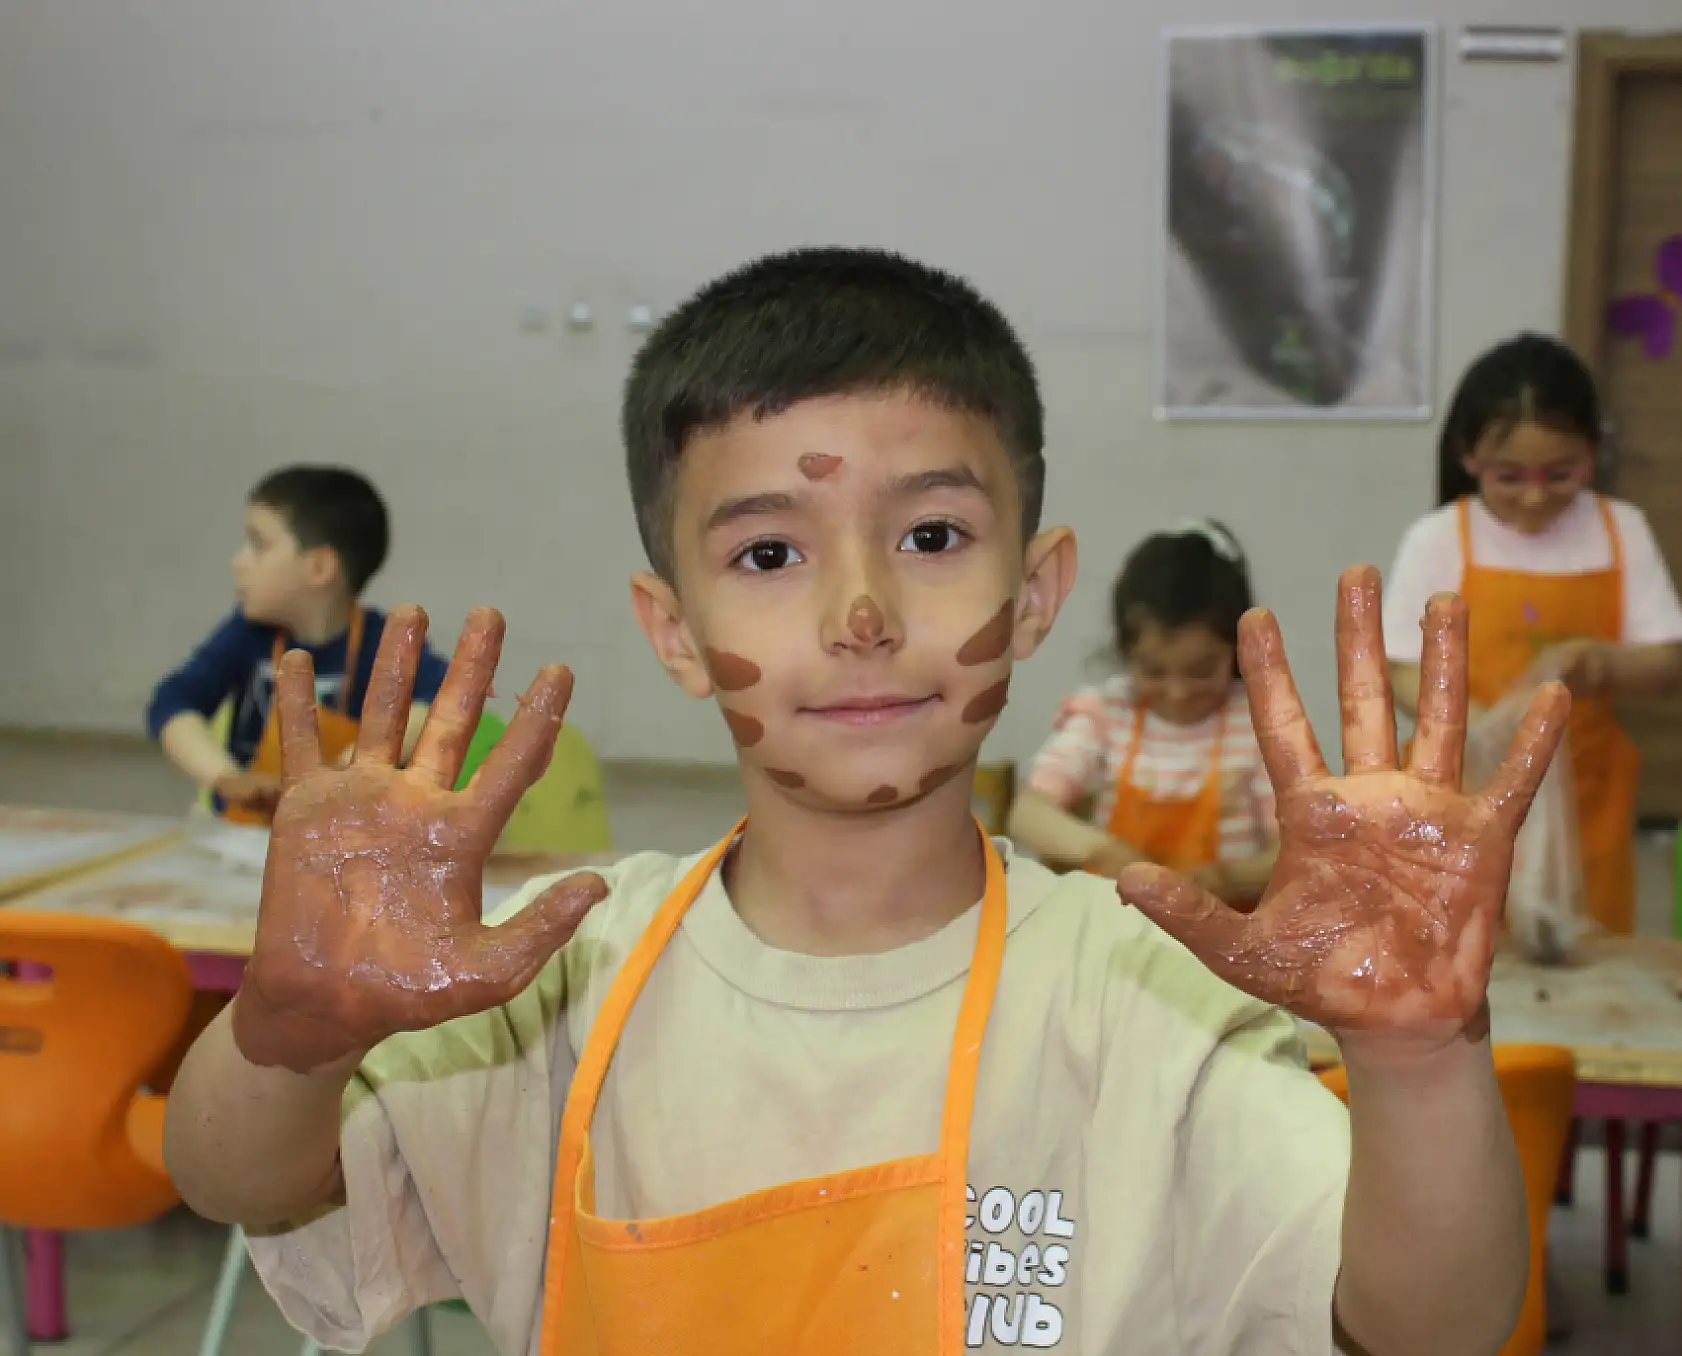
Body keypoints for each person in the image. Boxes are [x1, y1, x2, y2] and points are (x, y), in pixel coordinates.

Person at [164, 249, 1566, 1356]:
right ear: (668, 625)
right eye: (768, 550)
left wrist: (1416, 1066)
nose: (858, 611)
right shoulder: (552, 979)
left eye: (933, 536)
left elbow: (1427, 1325)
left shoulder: (1145, 1000)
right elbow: (244, 1182)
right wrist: (284, 1034)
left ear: (1034, 596)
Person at [1384, 333, 1682, 935]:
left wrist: (1602, 664)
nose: (1537, 494)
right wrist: (1481, 723)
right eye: (1510, 477)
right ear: (1469, 457)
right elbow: (1400, 668)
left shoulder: (1620, 530)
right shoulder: (1439, 539)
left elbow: (1668, 662)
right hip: (1462, 796)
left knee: (1579, 967)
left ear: (1593, 455)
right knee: (1455, 958)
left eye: (1560, 473)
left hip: (1583, 803)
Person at [145, 465, 449, 822]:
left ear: (319, 568)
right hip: (243, 836)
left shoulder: (385, 643)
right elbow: (172, 703)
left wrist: (349, 769)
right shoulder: (247, 633)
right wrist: (226, 777)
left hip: (338, 844)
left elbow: (442, 704)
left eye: (258, 545)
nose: (238, 562)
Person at [1008, 521, 1277, 908]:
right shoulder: (1107, 714)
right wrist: (1106, 853)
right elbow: (1027, 813)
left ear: (1237, 650)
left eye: (1201, 670)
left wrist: (1230, 878)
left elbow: (1294, 850)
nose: (1178, 692)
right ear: (1126, 654)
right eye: (1153, 671)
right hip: (1116, 930)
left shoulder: (1258, 725)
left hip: (1225, 937)